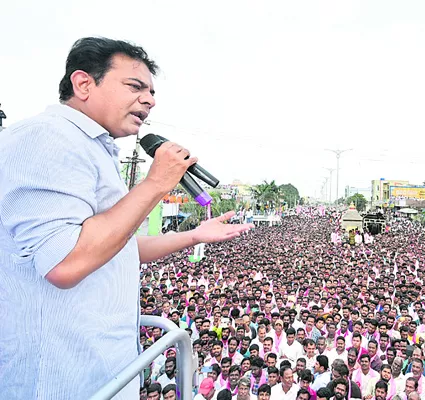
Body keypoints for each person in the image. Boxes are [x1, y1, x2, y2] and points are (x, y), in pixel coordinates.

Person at [0, 37, 253, 399]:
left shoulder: (93, 148)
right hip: (57, 381)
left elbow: (113, 246)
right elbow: (65, 262)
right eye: (135, 86)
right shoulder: (46, 137)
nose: (149, 100)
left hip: (102, 374)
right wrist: (155, 184)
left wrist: (194, 236)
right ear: (84, 83)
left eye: (151, 91)